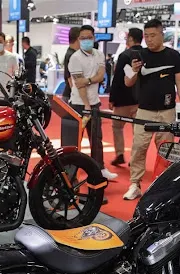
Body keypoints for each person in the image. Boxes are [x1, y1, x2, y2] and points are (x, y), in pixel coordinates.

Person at [123, 19, 180, 200]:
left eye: (153, 35)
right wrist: (134, 71)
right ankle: (135, 184)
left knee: (167, 149)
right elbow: (127, 82)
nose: (149, 39)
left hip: (167, 110)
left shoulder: (173, 56)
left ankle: (164, 185)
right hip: (144, 110)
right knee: (139, 147)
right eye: (146, 36)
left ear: (162, 34)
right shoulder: (138, 55)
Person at [68, 25, 116, 182]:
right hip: (79, 104)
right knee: (75, 141)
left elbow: (101, 76)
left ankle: (99, 169)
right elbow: (79, 85)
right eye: (82, 38)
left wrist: (88, 80)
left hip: (95, 103)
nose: (86, 40)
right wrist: (87, 106)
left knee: (96, 139)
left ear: (94, 38)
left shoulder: (99, 54)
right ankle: (71, 174)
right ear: (78, 39)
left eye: (89, 37)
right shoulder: (75, 58)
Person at [109, 27, 143, 167]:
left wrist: (112, 98)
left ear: (130, 38)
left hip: (123, 99)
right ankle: (134, 158)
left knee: (117, 127)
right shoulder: (146, 55)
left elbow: (118, 78)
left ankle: (120, 153)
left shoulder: (124, 56)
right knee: (138, 132)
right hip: (141, 101)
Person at [62, 27, 81, 100]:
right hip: (71, 96)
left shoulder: (72, 52)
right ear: (78, 38)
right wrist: (75, 95)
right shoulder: (71, 55)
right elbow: (69, 77)